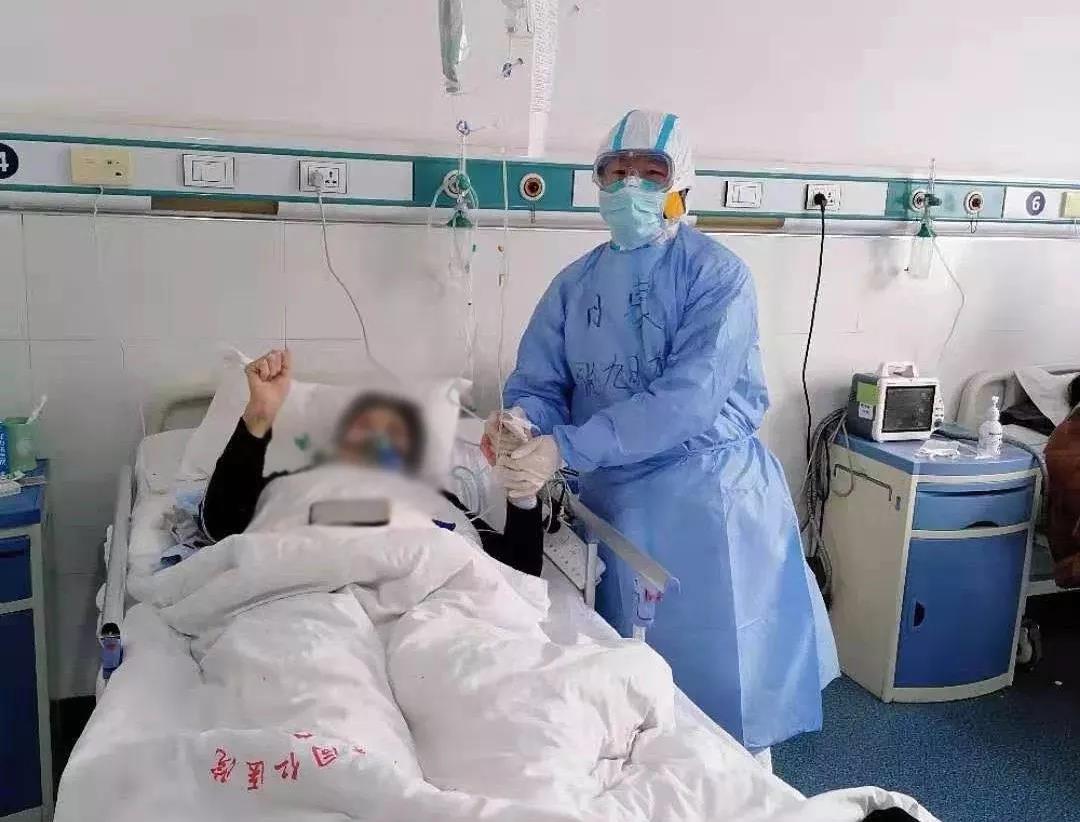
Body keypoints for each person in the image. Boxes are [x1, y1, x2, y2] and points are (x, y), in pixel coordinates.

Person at [485, 110, 839, 753]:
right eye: (615, 171)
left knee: (722, 691)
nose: (630, 186)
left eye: (651, 172)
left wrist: (565, 446)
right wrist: (522, 426)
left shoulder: (717, 275)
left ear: (682, 183)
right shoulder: (574, 284)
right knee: (628, 686)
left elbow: (688, 400)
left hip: (708, 500)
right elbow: (541, 381)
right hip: (614, 501)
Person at [202, 349, 543, 577]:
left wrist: (522, 485)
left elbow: (519, 569)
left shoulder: (437, 501)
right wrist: (259, 416)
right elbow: (222, 525)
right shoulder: (298, 484)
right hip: (306, 585)